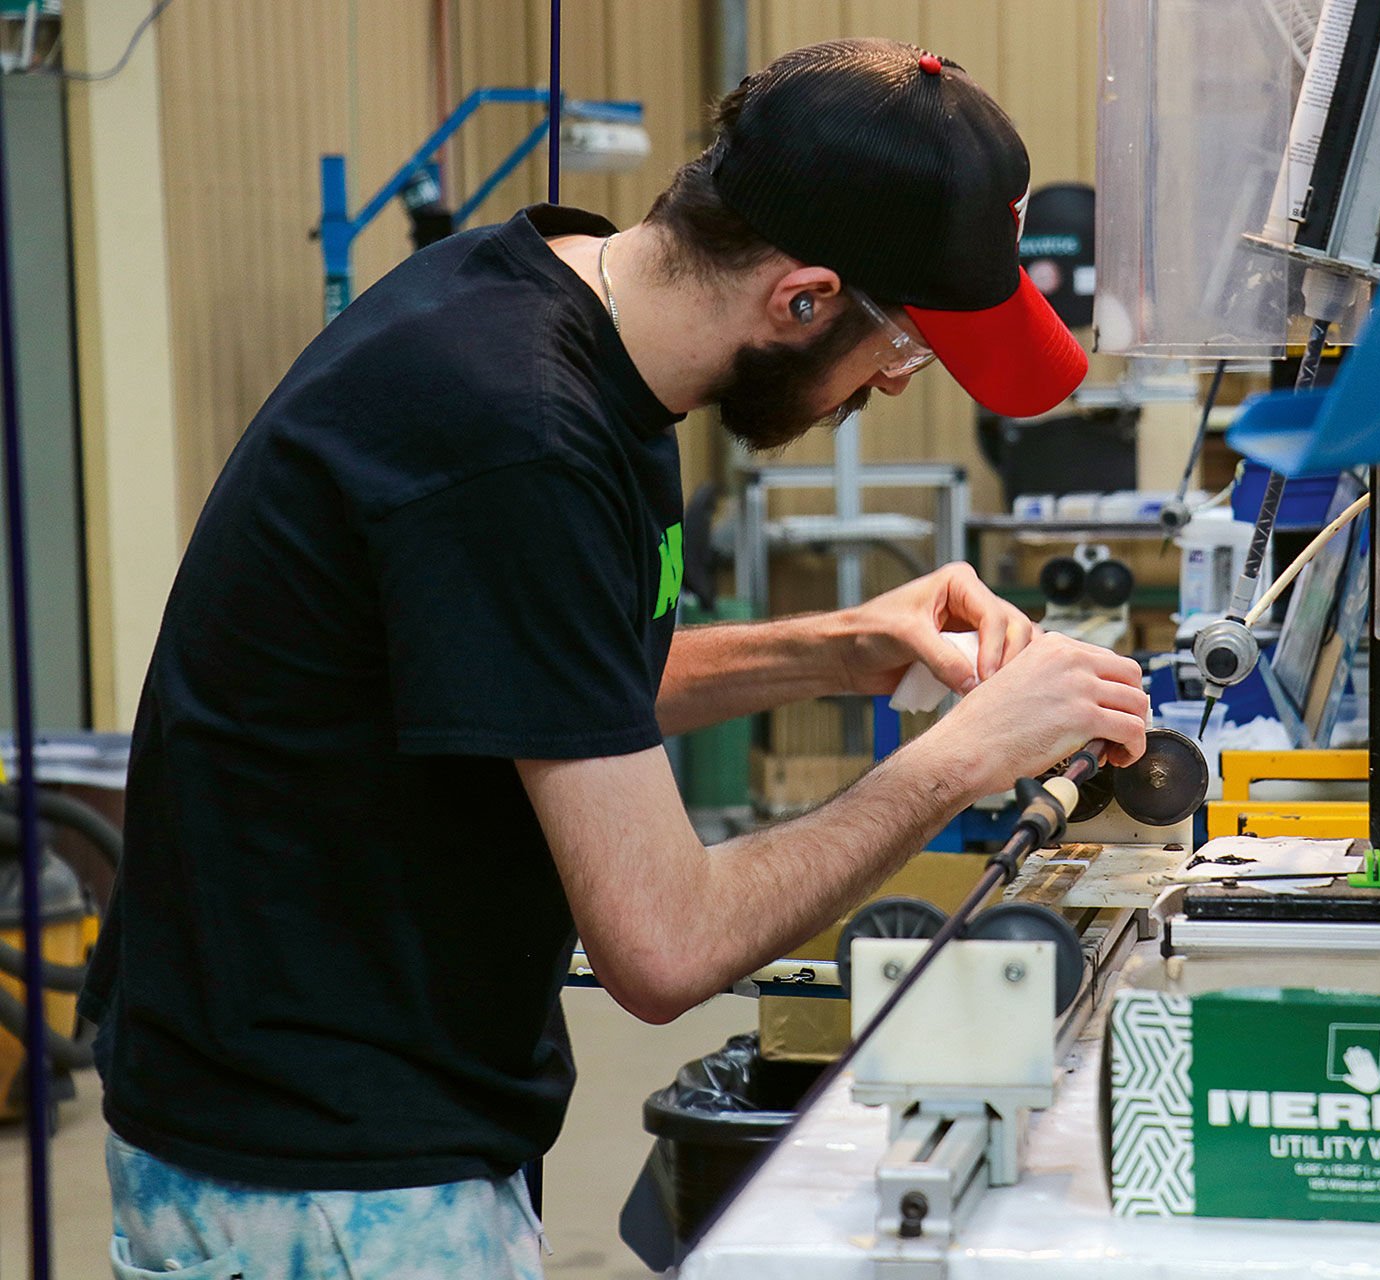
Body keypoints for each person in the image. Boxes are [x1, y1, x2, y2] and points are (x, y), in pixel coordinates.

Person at [80, 38, 1148, 1280]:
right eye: (900, 350)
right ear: (800, 299)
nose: (890, 387)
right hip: (313, 1171)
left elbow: (540, 681)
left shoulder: (577, 325)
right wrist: (960, 761)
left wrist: (842, 645)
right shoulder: (520, 429)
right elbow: (663, 945)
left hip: (365, 1116)